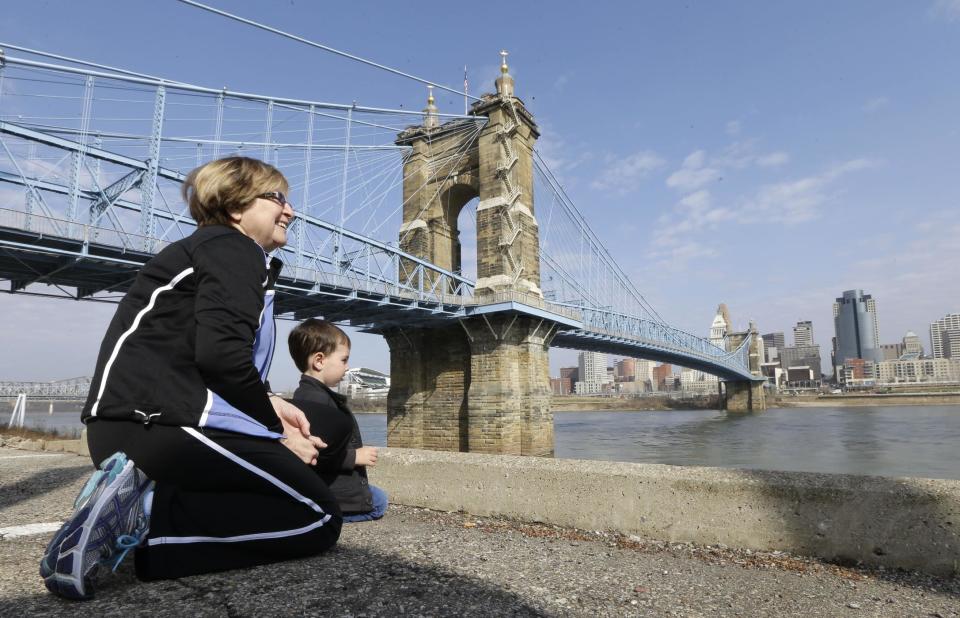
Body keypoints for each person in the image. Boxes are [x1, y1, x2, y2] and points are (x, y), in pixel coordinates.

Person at [40, 156, 349, 600]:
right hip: (166, 429)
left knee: (294, 469)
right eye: (277, 198)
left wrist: (268, 401)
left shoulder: (205, 250)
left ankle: (134, 504)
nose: (291, 211)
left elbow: (197, 353)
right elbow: (222, 357)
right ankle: (144, 516)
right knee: (317, 516)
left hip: (127, 431)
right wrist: (274, 428)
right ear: (236, 207)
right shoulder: (235, 249)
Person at [288, 319, 388, 523]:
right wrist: (354, 457)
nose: (347, 367)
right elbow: (316, 454)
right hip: (335, 493)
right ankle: (327, 517)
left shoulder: (307, 395)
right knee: (379, 502)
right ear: (319, 361)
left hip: (326, 489)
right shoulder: (317, 401)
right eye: (344, 360)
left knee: (374, 495)